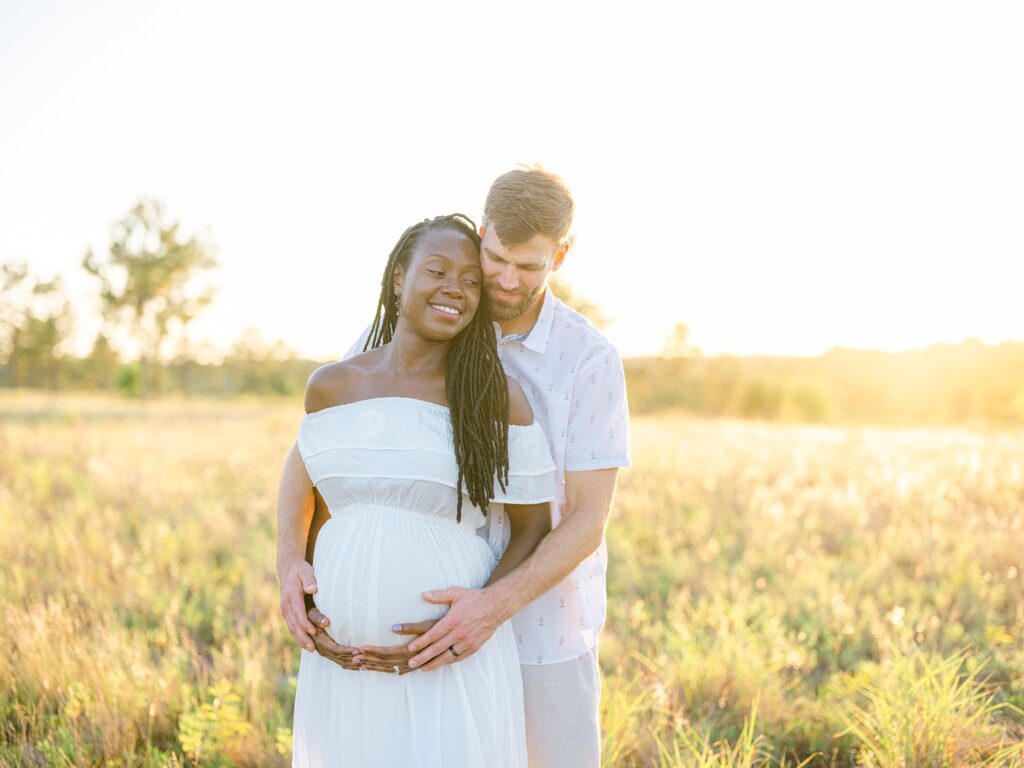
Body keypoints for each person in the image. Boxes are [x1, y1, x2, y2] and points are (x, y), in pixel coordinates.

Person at [277, 168, 631, 767]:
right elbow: (317, 451)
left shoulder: (587, 359)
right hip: (415, 628)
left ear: (560, 256)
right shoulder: (411, 319)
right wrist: (289, 557)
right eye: (497, 258)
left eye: (530, 266)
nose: (507, 280)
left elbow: (586, 520)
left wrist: (490, 607)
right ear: (484, 230)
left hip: (542, 628)